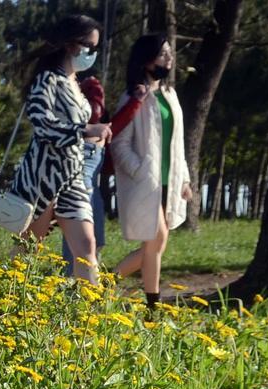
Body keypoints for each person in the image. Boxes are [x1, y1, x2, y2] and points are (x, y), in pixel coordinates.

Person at [11, 14, 111, 284]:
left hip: (73, 176)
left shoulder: (75, 83)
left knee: (86, 248)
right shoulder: (48, 79)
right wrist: (86, 130)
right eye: (89, 46)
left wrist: (92, 135)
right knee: (28, 249)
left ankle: (87, 317)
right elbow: (41, 124)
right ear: (71, 44)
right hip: (44, 176)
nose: (92, 53)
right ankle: (3, 305)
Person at [108, 34, 194, 310]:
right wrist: (140, 169)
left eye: (170, 54)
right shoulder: (134, 96)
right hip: (146, 182)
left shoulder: (170, 94)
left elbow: (178, 142)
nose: (169, 59)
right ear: (146, 61)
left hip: (170, 180)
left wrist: (185, 179)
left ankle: (105, 284)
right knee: (157, 239)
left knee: (154, 246)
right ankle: (152, 306)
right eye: (163, 54)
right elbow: (118, 142)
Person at [60, 76, 148, 274]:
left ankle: (85, 284)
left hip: (91, 181)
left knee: (94, 240)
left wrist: (135, 102)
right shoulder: (76, 117)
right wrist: (135, 102)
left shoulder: (100, 124)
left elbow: (113, 127)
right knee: (81, 240)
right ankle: (71, 284)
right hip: (80, 178)